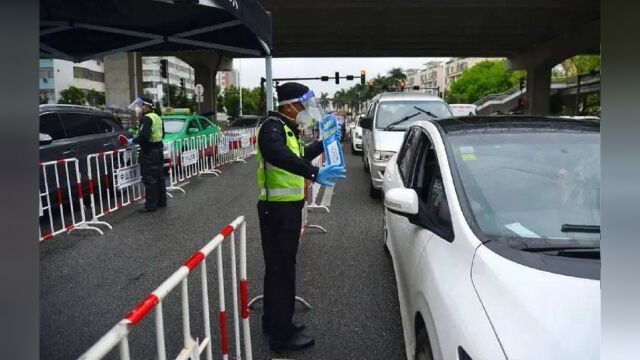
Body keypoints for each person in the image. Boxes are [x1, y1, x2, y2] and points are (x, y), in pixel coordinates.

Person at [257, 82, 346, 352]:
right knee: (281, 269)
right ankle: (281, 336)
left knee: (280, 268)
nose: (307, 111)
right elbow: (278, 154)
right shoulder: (272, 127)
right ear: (291, 105)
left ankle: (275, 321)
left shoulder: (285, 129)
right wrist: (315, 174)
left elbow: (299, 155)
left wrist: (324, 141)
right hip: (278, 210)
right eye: (305, 105)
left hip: (286, 209)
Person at [127, 96, 167, 213]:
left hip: (149, 152)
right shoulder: (157, 117)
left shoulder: (146, 119)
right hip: (158, 150)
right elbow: (162, 134)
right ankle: (161, 202)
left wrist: (133, 141)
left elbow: (144, 136)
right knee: (159, 177)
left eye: (141, 105)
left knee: (150, 179)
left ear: (146, 106)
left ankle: (151, 206)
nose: (139, 108)